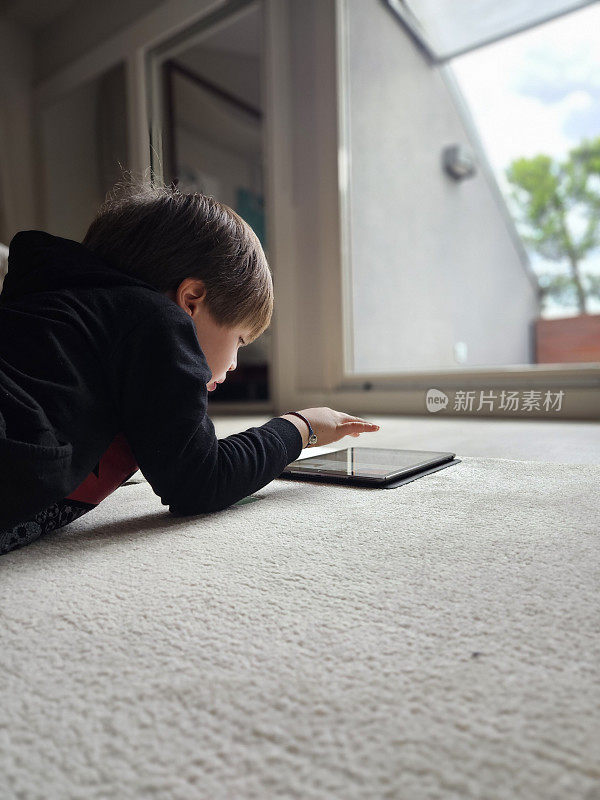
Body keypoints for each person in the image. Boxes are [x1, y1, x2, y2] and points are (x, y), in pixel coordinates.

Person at [0, 174, 379, 556]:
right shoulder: (155, 320)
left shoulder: (69, 315)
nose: (233, 365)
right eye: (240, 340)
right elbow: (200, 480)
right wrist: (300, 428)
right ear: (191, 301)